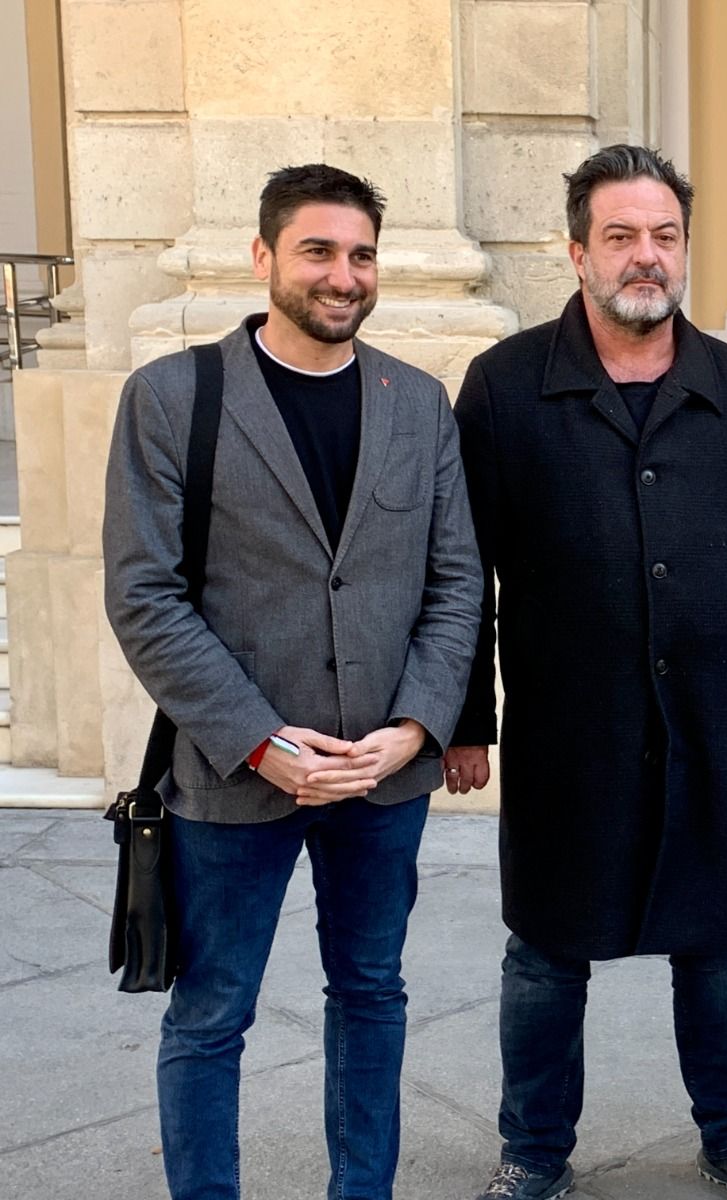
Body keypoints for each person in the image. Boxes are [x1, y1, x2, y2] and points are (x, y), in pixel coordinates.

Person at [447, 145, 727, 1200]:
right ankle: (532, 1152)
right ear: (575, 250)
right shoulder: (501, 388)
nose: (644, 256)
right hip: (565, 728)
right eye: (620, 235)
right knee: (543, 952)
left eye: (663, 235)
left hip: (710, 718)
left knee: (717, 946)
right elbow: (457, 571)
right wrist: (462, 716)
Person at [102, 164, 483, 1200]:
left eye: (361, 254)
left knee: (372, 993)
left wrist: (414, 727)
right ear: (264, 256)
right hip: (235, 777)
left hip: (379, 777)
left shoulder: (418, 403)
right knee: (211, 1011)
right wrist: (262, 739)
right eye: (318, 251)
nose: (343, 275)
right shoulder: (175, 398)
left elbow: (456, 583)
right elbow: (145, 597)